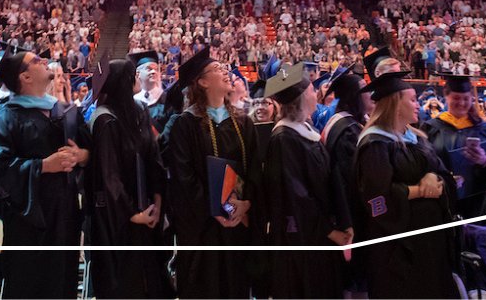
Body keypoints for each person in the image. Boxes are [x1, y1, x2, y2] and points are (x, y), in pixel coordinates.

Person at [159, 48, 260, 299]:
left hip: (238, 221)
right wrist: (216, 209)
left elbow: (256, 168)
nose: (226, 72)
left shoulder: (243, 121)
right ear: (202, 82)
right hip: (203, 228)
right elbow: (184, 178)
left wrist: (246, 203)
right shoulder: (186, 123)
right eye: (217, 69)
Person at [0, 50, 87, 299]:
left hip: (65, 218)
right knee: (29, 284)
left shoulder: (64, 111)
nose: (44, 61)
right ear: (25, 77)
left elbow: (90, 150)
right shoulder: (7, 115)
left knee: (62, 285)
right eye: (36, 61)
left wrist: (81, 156)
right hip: (29, 220)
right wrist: (43, 165)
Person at [353, 70, 457, 298]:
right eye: (411, 99)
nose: (418, 104)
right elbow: (375, 201)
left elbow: (443, 173)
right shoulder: (375, 144)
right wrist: (418, 190)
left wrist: (435, 177)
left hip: (430, 244)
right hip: (399, 252)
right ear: (394, 104)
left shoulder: (416, 137)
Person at [81, 58, 174, 299]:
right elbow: (108, 175)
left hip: (148, 210)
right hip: (118, 218)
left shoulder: (139, 111)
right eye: (132, 75)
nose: (136, 79)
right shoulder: (105, 119)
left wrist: (157, 201)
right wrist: (132, 213)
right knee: (126, 283)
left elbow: (153, 158)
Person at [263, 63, 353, 299]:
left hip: (321, 236)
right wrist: (329, 231)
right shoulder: (284, 139)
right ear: (302, 97)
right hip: (303, 241)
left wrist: (344, 221)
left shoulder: (305, 130)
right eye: (312, 89)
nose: (317, 93)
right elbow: (297, 196)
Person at [421, 74, 486, 219]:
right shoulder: (430, 128)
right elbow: (423, 164)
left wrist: (485, 161)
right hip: (443, 204)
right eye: (456, 98)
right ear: (446, 96)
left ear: (472, 99)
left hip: (480, 205)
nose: (461, 103)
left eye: (466, 98)